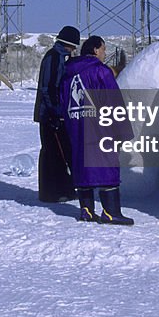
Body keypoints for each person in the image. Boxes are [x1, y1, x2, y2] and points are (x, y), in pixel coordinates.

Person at [59, 35, 134, 224]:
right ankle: (111, 212)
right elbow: (113, 101)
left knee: (81, 166)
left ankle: (86, 211)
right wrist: (123, 130)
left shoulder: (68, 73)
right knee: (107, 167)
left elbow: (62, 102)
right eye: (103, 49)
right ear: (94, 50)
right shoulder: (101, 72)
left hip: (76, 125)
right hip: (100, 128)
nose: (105, 53)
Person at [33, 25, 80, 202]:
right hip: (50, 115)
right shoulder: (54, 57)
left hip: (57, 114)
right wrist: (56, 112)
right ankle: (50, 192)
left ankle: (64, 189)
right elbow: (49, 87)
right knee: (51, 153)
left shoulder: (61, 56)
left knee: (61, 153)